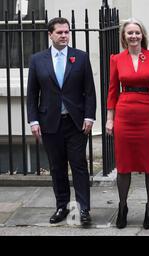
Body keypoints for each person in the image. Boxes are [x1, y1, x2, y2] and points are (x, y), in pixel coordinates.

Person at [27, 17, 96, 226]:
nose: (64, 35)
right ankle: (62, 206)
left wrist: (89, 116)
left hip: (76, 122)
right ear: (50, 34)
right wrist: (33, 121)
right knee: (57, 167)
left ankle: (83, 209)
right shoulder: (37, 60)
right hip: (49, 122)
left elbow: (90, 92)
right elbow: (32, 94)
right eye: (60, 32)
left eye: (67, 32)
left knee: (79, 166)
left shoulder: (81, 58)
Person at [106, 18, 149, 229]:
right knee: (123, 164)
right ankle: (122, 206)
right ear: (124, 36)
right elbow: (113, 89)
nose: (133, 36)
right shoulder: (116, 59)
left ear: (143, 35)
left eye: (137, 33)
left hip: (148, 112)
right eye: (129, 33)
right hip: (124, 113)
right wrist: (109, 119)